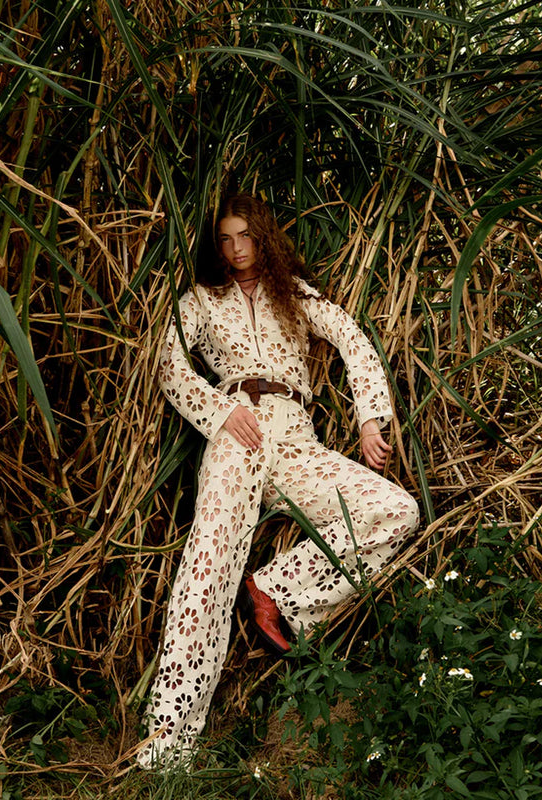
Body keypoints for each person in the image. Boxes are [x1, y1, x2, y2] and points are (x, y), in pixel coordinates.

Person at [136, 194, 419, 770]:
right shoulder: (201, 300)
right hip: (236, 433)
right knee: (207, 563)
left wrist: (370, 419)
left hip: (295, 440)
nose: (236, 249)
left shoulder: (294, 294)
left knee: (397, 510)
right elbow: (169, 363)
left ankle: (276, 589)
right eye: (225, 239)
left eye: (245, 235)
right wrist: (219, 411)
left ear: (263, 236)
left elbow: (352, 339)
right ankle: (168, 741)